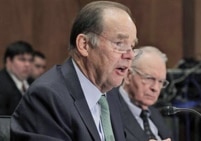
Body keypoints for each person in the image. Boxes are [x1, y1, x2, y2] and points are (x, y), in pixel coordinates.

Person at [11, 1, 139, 141]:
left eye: (132, 46)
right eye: (119, 44)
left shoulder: (110, 93)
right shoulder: (47, 96)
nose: (130, 55)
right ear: (84, 45)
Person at [108, 46, 171, 141]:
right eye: (149, 78)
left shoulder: (156, 114)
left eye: (161, 81)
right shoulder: (109, 110)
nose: (155, 88)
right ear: (128, 75)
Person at [0, 41, 34, 115]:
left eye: (30, 60)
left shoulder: (34, 83)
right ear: (9, 61)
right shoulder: (1, 85)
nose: (27, 64)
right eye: (22, 59)